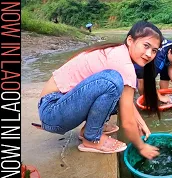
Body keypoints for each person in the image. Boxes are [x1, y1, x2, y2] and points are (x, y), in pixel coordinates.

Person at [37, 21, 163, 160]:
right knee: (113, 82)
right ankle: (91, 138)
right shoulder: (123, 65)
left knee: (119, 91)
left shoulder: (119, 52)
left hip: (59, 108)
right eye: (146, 46)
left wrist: (140, 122)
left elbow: (127, 102)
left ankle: (90, 130)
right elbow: (127, 123)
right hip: (52, 111)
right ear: (130, 40)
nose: (149, 54)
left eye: (154, 50)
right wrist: (142, 147)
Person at [135, 36, 172, 103]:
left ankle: (163, 97)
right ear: (169, 51)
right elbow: (148, 80)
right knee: (142, 78)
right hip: (144, 57)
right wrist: (159, 97)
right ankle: (144, 99)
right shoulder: (159, 58)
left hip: (164, 57)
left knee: (166, 72)